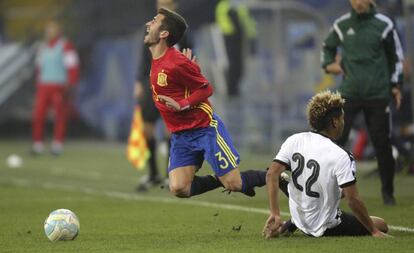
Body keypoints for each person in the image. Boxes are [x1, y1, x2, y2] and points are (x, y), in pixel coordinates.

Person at [143, 7, 271, 198]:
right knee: (179, 188)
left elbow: (206, 89)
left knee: (235, 184)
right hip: (180, 135)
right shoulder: (158, 60)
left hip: (204, 129)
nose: (148, 24)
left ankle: (274, 176)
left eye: (153, 21)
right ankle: (219, 179)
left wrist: (182, 104)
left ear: (163, 33)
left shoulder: (176, 62)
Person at [263, 90, 389, 238]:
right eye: (342, 118)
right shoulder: (341, 155)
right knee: (381, 224)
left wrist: (275, 213)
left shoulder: (294, 140)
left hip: (300, 219)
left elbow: (271, 174)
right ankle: (291, 224)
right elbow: (352, 199)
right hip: (325, 226)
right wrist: (374, 231)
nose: (343, 122)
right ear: (335, 122)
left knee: (313, 193)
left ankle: (286, 224)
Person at [321, 0, 404, 205]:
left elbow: (396, 57)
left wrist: (395, 85)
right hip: (348, 94)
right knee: (335, 143)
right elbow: (327, 47)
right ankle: (329, 191)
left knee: (382, 143)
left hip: (377, 94)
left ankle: (388, 194)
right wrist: (329, 65)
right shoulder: (341, 24)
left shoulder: (384, 24)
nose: (358, 2)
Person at [135, 0, 192, 192]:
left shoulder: (181, 30)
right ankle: (152, 173)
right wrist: (138, 82)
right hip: (151, 84)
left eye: (167, 3)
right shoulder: (152, 28)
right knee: (147, 129)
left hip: (173, 86)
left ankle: (171, 175)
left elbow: (190, 53)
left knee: (171, 131)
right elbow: (144, 56)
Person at [32, 20, 80, 155]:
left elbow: (73, 66)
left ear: (58, 31)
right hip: (43, 86)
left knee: (59, 115)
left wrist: (70, 84)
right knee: (38, 114)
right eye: (47, 30)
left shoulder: (65, 45)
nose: (49, 32)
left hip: (59, 86)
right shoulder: (41, 47)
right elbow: (39, 68)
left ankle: (57, 144)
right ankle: (38, 144)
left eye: (52, 29)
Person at [215, 0, 256, 97]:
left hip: (238, 37)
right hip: (229, 38)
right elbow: (223, 22)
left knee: (238, 64)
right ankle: (231, 90)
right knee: (232, 64)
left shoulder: (238, 5)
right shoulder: (225, 5)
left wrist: (251, 35)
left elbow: (247, 21)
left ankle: (234, 89)